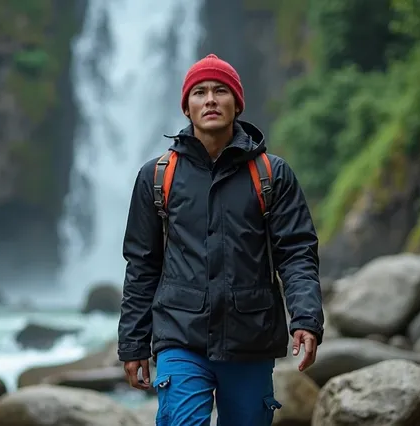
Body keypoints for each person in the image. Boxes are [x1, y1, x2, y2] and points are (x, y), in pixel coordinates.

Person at [117, 53, 325, 426]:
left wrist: (306, 318)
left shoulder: (272, 175)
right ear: (187, 107)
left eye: (220, 90)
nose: (210, 99)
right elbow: (142, 265)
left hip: (251, 338)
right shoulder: (156, 177)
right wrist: (133, 344)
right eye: (199, 92)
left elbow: (295, 254)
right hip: (179, 336)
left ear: (236, 103)